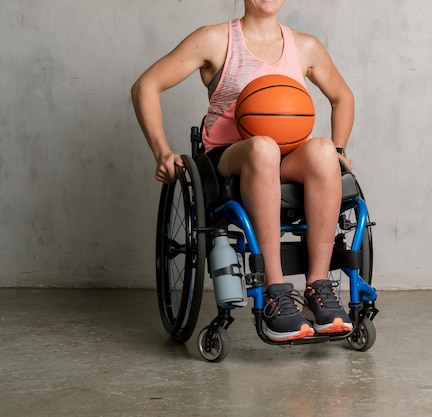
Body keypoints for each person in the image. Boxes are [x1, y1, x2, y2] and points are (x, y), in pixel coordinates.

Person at [131, 0, 355, 342]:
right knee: (263, 146)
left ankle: (318, 286)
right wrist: (161, 152)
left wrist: (339, 148)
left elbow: (342, 97)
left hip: (288, 158)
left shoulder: (305, 46)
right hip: (229, 160)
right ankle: (276, 290)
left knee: (323, 150)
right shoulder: (215, 40)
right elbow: (145, 86)